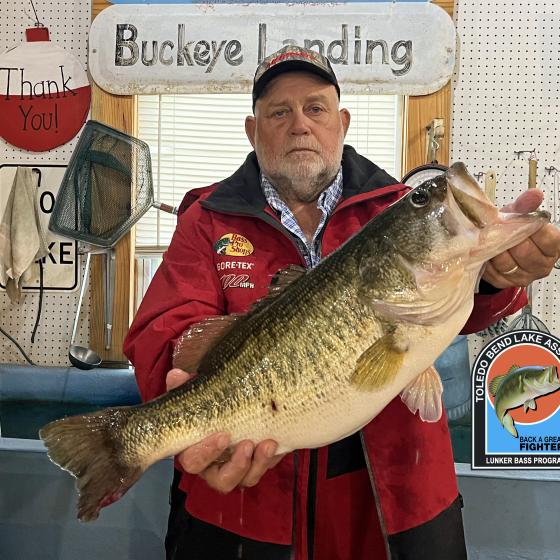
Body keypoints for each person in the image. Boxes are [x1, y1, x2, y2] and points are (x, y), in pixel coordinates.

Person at [123, 45, 560, 560]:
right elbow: (165, 331)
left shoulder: (393, 209)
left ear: (342, 122)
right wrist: (182, 390)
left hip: (396, 507)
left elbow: (458, 301)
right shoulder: (207, 218)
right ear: (252, 130)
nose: (299, 125)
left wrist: (494, 277)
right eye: (278, 112)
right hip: (246, 507)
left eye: (316, 108)